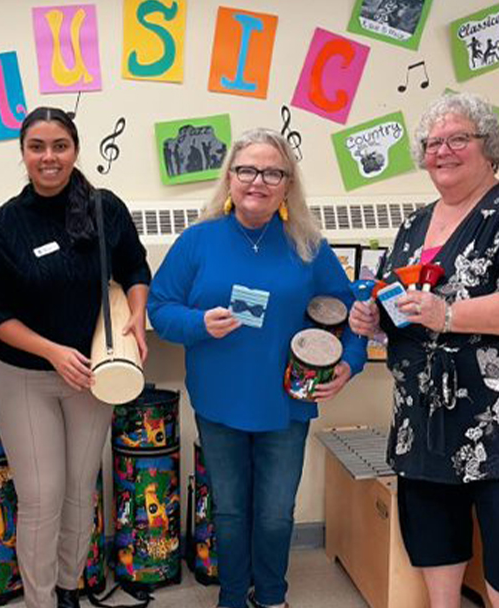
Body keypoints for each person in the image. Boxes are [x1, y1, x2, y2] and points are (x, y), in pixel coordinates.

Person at [348, 92, 499, 608]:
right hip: (426, 426)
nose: (443, 151)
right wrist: (375, 321)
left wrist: (450, 316)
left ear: (488, 147)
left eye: (458, 139)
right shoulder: (413, 224)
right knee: (435, 549)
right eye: (433, 143)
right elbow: (404, 305)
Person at [147, 128, 367, 608]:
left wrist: (350, 362)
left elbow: (354, 316)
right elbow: (160, 309)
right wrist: (199, 322)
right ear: (229, 178)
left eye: (272, 172)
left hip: (287, 402)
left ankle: (270, 595)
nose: (258, 181)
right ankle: (231, 596)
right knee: (228, 511)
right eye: (247, 170)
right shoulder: (198, 241)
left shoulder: (308, 246)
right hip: (219, 399)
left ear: (287, 185)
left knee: (273, 514)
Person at [0, 107, 151, 608]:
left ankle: (70, 589)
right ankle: (41, 599)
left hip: (95, 375)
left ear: (75, 149)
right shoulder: (4, 227)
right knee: (41, 496)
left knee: (78, 489)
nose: (48, 158)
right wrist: (52, 353)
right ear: (23, 154)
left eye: (59, 146)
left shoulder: (104, 208)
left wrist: (137, 315)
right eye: (37, 147)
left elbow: (136, 267)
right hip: (25, 375)